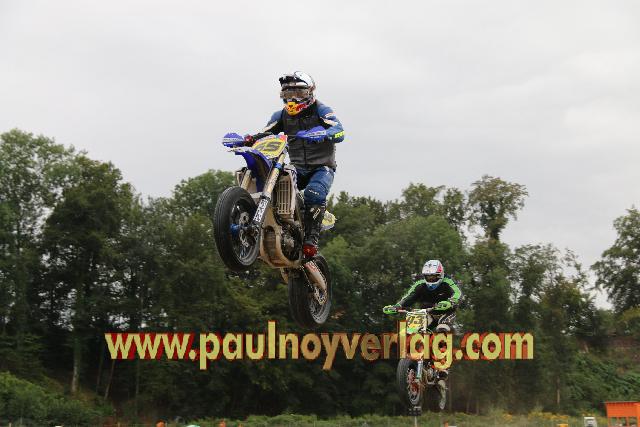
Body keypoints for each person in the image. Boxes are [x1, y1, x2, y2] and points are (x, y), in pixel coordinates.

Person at [245, 71, 344, 258]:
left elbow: (340, 131)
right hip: (297, 166)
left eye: (298, 93)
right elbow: (266, 133)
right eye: (288, 94)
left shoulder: (321, 110)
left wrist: (324, 133)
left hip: (322, 167)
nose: (292, 99)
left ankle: (311, 240)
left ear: (309, 92)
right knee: (274, 187)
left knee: (314, 193)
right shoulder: (281, 115)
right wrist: (250, 139)